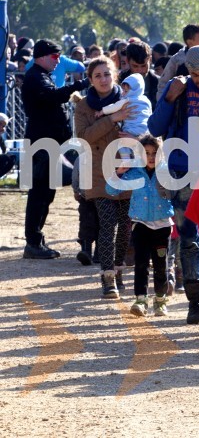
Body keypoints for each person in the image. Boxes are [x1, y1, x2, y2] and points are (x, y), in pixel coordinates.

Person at [148, 45, 199, 325]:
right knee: (189, 238)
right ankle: (195, 301)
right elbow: (155, 128)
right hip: (182, 173)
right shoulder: (177, 88)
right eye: (195, 74)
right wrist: (170, 98)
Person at [73, 56, 136, 297]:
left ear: (115, 76)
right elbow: (84, 136)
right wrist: (112, 120)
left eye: (107, 74)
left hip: (128, 170)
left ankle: (118, 269)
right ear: (90, 79)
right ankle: (107, 277)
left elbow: (145, 128)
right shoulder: (83, 106)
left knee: (125, 228)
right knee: (107, 224)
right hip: (99, 173)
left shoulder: (128, 100)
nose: (103, 79)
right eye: (97, 75)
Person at [21, 40, 89, 259]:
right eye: (54, 56)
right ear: (41, 57)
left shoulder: (41, 76)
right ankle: (33, 242)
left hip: (48, 144)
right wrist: (80, 85)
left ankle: (36, 240)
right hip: (42, 145)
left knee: (45, 193)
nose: (58, 60)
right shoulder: (35, 78)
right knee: (39, 193)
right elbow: (54, 96)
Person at [106, 135, 173, 317]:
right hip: (140, 224)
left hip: (162, 225)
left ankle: (160, 300)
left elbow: (177, 192)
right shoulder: (134, 172)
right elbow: (111, 189)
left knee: (161, 264)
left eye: (154, 153)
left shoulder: (166, 171)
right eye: (146, 153)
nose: (151, 157)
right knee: (141, 264)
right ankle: (141, 299)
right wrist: (119, 171)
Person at [157, 24, 199, 100]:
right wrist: (163, 104)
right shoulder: (177, 60)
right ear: (190, 42)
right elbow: (163, 84)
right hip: (182, 104)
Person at [120, 42, 159, 110]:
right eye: (135, 66)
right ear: (127, 61)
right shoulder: (119, 80)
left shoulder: (159, 82)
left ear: (150, 60)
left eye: (144, 66)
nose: (140, 70)